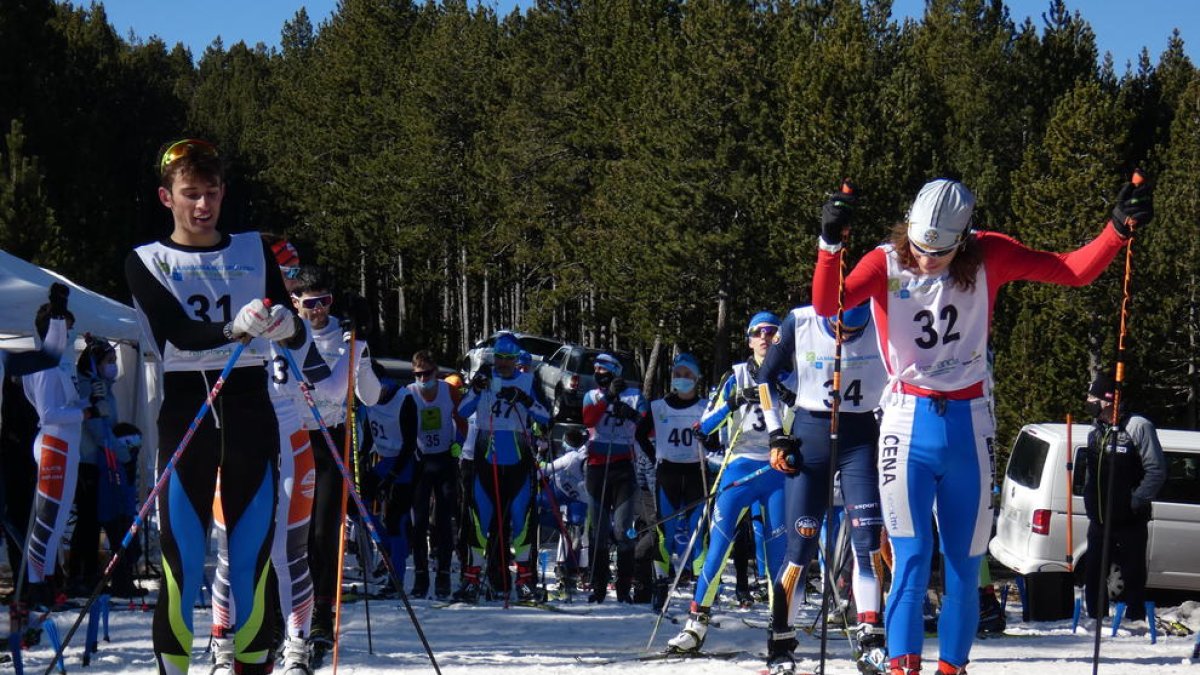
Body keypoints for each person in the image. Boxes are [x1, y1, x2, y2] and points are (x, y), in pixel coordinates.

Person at [811, 175, 1152, 675]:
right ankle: (902, 667)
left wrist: (1116, 230)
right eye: (920, 248)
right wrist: (829, 244)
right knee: (910, 559)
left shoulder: (990, 253)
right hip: (906, 421)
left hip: (969, 425)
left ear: (964, 239)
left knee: (964, 566)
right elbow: (828, 304)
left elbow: (1073, 271)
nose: (926, 260)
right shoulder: (885, 261)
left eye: (940, 253)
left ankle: (954, 668)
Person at [126, 138, 306, 674]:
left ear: (224, 192)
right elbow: (176, 331)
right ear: (167, 197)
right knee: (181, 568)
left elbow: (292, 329)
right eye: (190, 194)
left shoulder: (254, 249)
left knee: (251, 563)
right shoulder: (146, 260)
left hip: (249, 406)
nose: (202, 205)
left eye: (211, 192)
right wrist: (233, 328)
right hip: (189, 408)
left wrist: (286, 325)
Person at [756, 301, 889, 675]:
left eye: (853, 332)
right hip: (810, 435)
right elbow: (765, 378)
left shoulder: (883, 318)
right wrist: (776, 434)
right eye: (839, 330)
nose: (845, 338)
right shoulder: (800, 321)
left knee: (867, 541)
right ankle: (780, 642)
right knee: (800, 547)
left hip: (860, 436)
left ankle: (871, 639)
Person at [667, 313, 792, 654]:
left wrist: (787, 396)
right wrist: (733, 402)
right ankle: (696, 624)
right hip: (739, 467)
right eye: (758, 332)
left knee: (777, 552)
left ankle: (780, 626)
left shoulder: (792, 374)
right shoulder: (735, 375)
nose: (765, 337)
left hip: (777, 469)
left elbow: (807, 422)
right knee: (718, 547)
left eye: (772, 332)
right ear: (749, 340)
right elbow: (703, 426)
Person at [287, 265, 382, 655]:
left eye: (325, 301)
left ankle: (322, 615)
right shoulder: (287, 336)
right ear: (295, 302)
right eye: (311, 303)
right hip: (294, 439)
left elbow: (371, 397)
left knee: (325, 532)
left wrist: (362, 357)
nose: (319, 310)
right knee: (294, 533)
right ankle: (289, 612)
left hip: (331, 439)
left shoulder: (347, 339)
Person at [454, 334, 550, 602]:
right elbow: (462, 411)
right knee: (479, 522)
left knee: (522, 522)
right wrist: (475, 389)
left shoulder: (528, 381)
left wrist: (525, 399)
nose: (503, 363)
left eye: (509, 358)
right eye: (499, 357)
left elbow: (546, 417)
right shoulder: (484, 378)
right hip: (487, 462)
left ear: (516, 359)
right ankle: (471, 580)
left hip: (518, 464)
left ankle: (525, 581)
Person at [1082, 371, 1166, 625]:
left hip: (1129, 519)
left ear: (1108, 400)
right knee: (1094, 571)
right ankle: (1095, 619)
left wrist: (1135, 501)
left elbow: (1156, 470)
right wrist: (1089, 497)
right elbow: (1091, 470)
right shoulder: (1096, 429)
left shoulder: (1138, 426)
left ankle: (1134, 619)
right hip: (1099, 518)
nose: (1088, 402)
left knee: (1132, 572)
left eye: (1092, 397)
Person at [20, 304, 86, 609]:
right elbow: (48, 413)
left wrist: (83, 405)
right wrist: (83, 413)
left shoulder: (57, 362)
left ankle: (48, 582)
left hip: (65, 444)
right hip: (54, 444)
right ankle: (37, 587)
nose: (70, 333)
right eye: (66, 328)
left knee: (57, 521)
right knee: (47, 520)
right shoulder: (44, 365)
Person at [67, 335, 142, 599]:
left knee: (101, 520)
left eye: (114, 360)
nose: (113, 365)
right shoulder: (90, 387)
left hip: (103, 461)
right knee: (89, 520)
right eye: (109, 360)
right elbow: (98, 428)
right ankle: (81, 575)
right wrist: (122, 453)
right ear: (95, 364)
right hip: (90, 462)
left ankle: (94, 575)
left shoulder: (104, 387)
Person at [635, 352, 712, 609]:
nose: (682, 378)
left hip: (696, 472)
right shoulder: (658, 406)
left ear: (696, 378)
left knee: (697, 533)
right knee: (664, 533)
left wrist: (708, 442)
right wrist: (655, 456)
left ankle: (701, 591)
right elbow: (640, 434)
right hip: (667, 472)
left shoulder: (705, 407)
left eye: (687, 374)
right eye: (678, 374)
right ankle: (660, 587)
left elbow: (715, 438)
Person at [580, 352, 647, 603]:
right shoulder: (591, 395)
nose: (598, 373)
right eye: (596, 369)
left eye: (603, 369)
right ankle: (598, 586)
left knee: (622, 530)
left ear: (615, 372)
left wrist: (630, 414)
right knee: (598, 530)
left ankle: (624, 588)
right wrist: (608, 397)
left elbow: (646, 425)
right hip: (597, 468)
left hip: (623, 468)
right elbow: (588, 419)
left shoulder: (634, 395)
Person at [405, 350, 464, 599]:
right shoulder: (409, 393)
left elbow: (463, 420)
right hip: (421, 460)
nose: (422, 379)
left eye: (427, 374)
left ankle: (443, 575)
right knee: (418, 522)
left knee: (443, 520)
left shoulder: (448, 390)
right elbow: (403, 425)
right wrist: (409, 449)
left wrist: (458, 443)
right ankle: (420, 576)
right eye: (418, 374)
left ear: (436, 372)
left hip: (445, 458)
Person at [537, 427, 591, 600]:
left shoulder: (574, 457)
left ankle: (570, 573)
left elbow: (545, 469)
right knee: (535, 508)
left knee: (575, 533)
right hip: (562, 492)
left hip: (572, 496)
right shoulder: (575, 455)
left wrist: (539, 459)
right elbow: (545, 470)